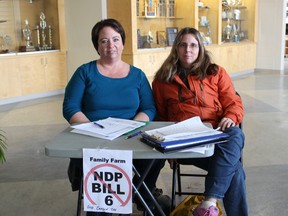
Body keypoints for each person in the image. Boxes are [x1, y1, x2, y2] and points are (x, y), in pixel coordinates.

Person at [63, 18, 165, 216]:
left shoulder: (137, 75)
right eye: (104, 41)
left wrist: (132, 127)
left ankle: (138, 190)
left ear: (123, 42)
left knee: (156, 156)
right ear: (97, 45)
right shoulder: (84, 72)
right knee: (104, 167)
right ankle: (111, 205)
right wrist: (92, 130)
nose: (111, 45)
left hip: (131, 137)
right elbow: (70, 106)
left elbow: (149, 107)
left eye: (116, 39)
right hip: (93, 139)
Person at [152, 27, 247, 216]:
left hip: (215, 135)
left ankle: (208, 201)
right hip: (185, 142)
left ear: (200, 49)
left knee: (235, 133)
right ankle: (210, 204)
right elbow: (160, 117)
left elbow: (234, 102)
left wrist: (230, 116)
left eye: (193, 45)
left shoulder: (216, 72)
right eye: (183, 45)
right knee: (234, 169)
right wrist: (165, 147)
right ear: (176, 49)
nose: (188, 50)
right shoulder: (162, 80)